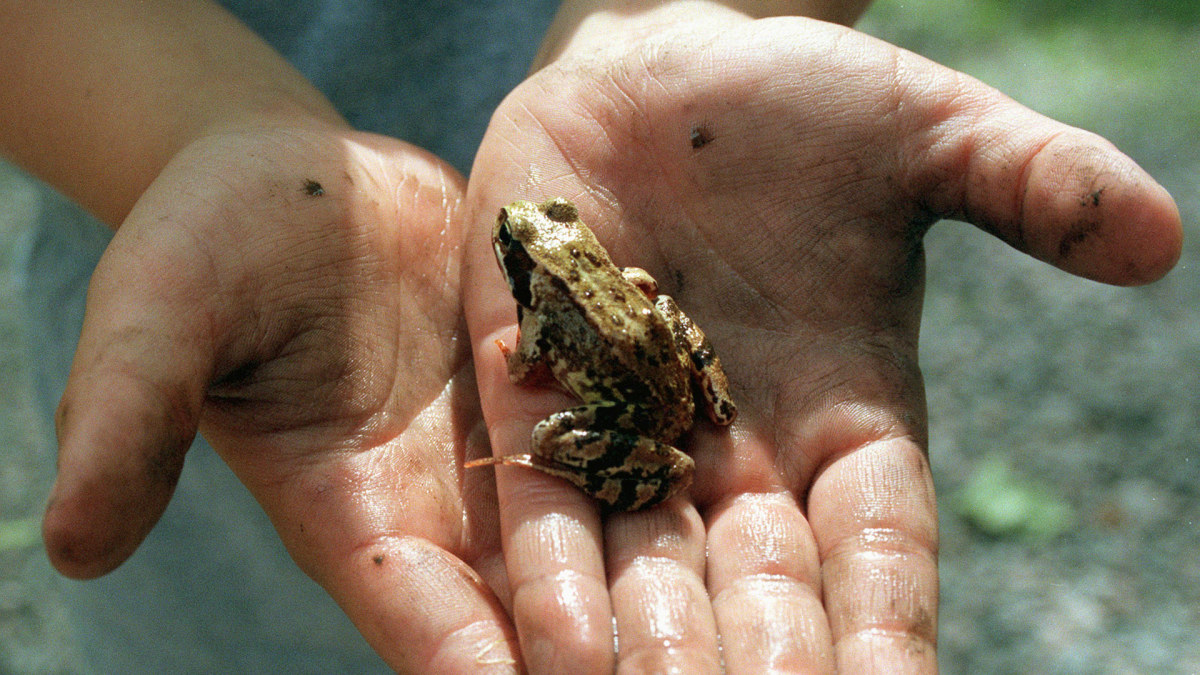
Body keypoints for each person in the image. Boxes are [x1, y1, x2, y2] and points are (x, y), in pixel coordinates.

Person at [0, 1, 1181, 673]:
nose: (518, 241)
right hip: (239, 561)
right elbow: (649, 320)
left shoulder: (535, 306)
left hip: (623, 393)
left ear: (536, 260)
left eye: (529, 246)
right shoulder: (585, 270)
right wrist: (213, 126)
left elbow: (532, 355)